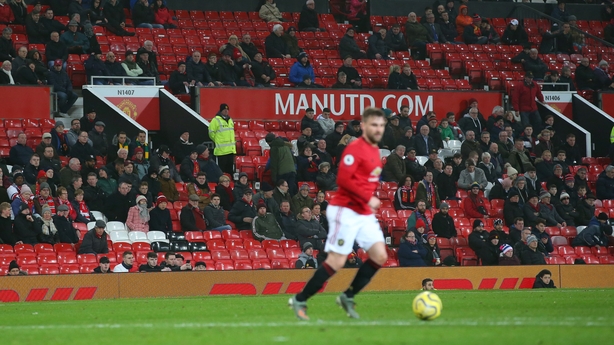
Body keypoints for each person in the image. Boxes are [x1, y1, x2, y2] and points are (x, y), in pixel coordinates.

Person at [289, 108, 388, 321]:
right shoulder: (355, 149)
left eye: (381, 125)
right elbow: (343, 180)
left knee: (380, 256)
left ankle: (348, 296)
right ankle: (300, 298)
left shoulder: (375, 152)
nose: (378, 129)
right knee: (336, 261)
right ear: (363, 127)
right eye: (374, 125)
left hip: (362, 211)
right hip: (345, 209)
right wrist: (367, 197)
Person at [209, 103, 236, 175]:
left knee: (230, 172)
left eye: (227, 110)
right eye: (224, 110)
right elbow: (211, 133)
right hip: (221, 152)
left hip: (230, 151)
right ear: (221, 111)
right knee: (221, 173)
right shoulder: (215, 120)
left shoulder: (230, 120)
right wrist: (217, 141)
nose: (226, 111)